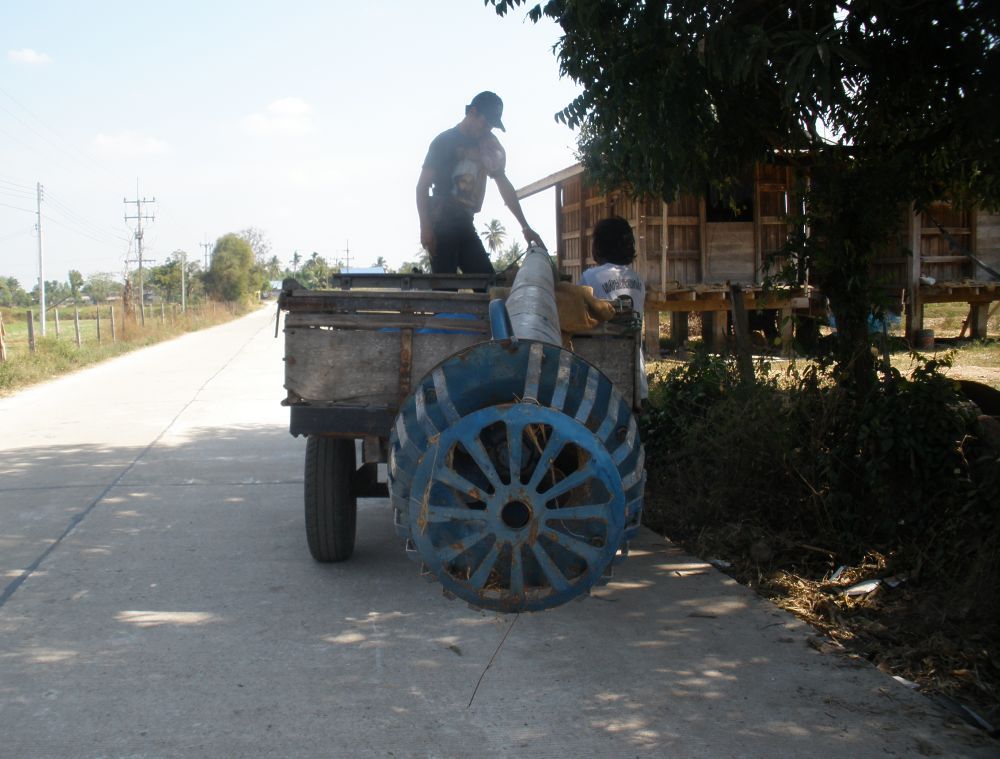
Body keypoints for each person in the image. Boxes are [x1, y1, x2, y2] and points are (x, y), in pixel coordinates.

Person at [416, 91, 543, 274]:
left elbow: (503, 184)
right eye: (486, 123)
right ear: (473, 112)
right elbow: (421, 188)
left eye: (491, 126)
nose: (487, 129)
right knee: (445, 291)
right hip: (441, 224)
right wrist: (425, 228)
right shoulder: (443, 142)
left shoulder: (487, 145)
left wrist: (525, 226)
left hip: (466, 223)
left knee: (489, 287)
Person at [579, 216, 648, 400]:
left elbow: (579, 320)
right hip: (635, 374)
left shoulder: (589, 278)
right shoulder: (638, 280)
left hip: (601, 373)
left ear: (599, 246)